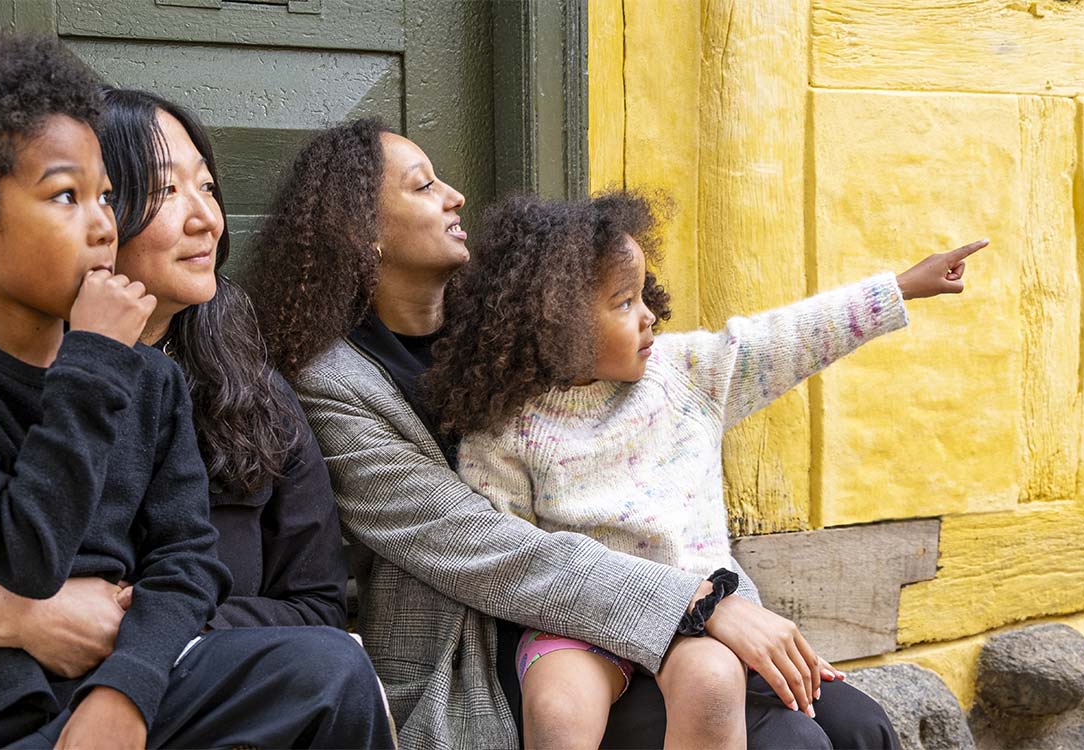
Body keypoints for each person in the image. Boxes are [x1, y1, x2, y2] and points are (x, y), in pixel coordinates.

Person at [0, 39, 391, 749]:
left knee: (330, 670)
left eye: (107, 197)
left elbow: (220, 575)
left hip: (152, 691)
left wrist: (130, 671)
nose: (100, 224)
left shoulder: (207, 389)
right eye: (161, 191)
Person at [246, 118, 904, 749]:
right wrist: (696, 604)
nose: (456, 195)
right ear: (363, 235)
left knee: (860, 727)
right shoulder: (333, 385)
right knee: (790, 737)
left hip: (641, 599)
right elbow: (480, 546)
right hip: (502, 646)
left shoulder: (514, 314)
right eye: (423, 186)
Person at [421, 191, 987, 749]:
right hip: (582, 622)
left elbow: (789, 338)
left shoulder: (686, 375)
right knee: (558, 710)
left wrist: (901, 287)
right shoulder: (503, 428)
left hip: (699, 619)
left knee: (716, 685)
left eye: (642, 294)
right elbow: (516, 553)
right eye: (624, 302)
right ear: (555, 324)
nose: (648, 315)